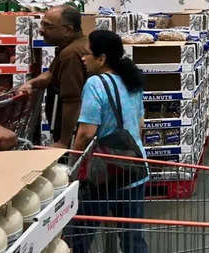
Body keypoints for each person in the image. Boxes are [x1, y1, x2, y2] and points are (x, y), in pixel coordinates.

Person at [72, 30, 148, 253]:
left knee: (79, 236)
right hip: (133, 168)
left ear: (102, 58)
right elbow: (140, 124)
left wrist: (74, 168)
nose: (83, 59)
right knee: (132, 238)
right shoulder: (131, 79)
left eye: (87, 54)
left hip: (103, 173)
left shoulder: (95, 84)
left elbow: (86, 133)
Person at [19, 5, 88, 148]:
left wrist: (63, 141)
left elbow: (72, 101)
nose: (41, 30)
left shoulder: (71, 55)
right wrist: (31, 83)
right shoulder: (74, 45)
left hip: (76, 134)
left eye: (48, 26)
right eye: (42, 24)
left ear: (68, 30)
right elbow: (51, 74)